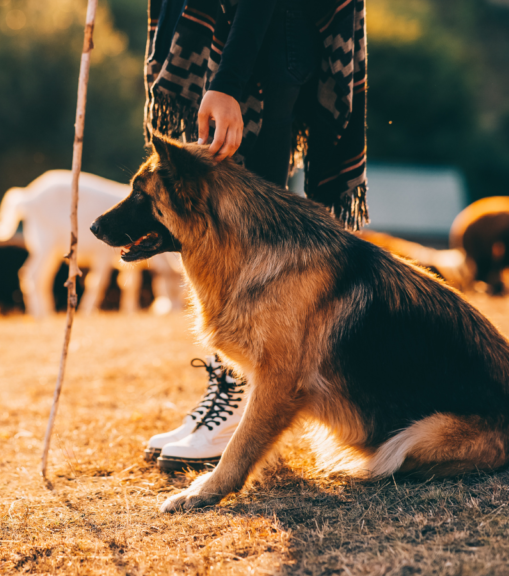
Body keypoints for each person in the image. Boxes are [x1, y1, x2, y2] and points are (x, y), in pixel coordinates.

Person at [142, 0, 370, 471]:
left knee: (248, 233)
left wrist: (228, 83)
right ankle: (229, 391)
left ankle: (244, 406)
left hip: (262, 42)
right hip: (229, 42)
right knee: (219, 229)